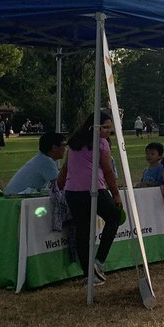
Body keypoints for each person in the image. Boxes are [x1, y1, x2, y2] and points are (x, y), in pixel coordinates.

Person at [57, 111, 122, 285]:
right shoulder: (101, 143)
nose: (108, 131)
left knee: (82, 230)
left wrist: (61, 184)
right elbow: (108, 171)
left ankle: (89, 273)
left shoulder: (74, 142)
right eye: (105, 127)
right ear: (95, 127)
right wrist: (116, 194)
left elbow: (65, 168)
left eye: (110, 128)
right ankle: (98, 261)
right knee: (114, 217)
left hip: (73, 191)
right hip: (93, 188)